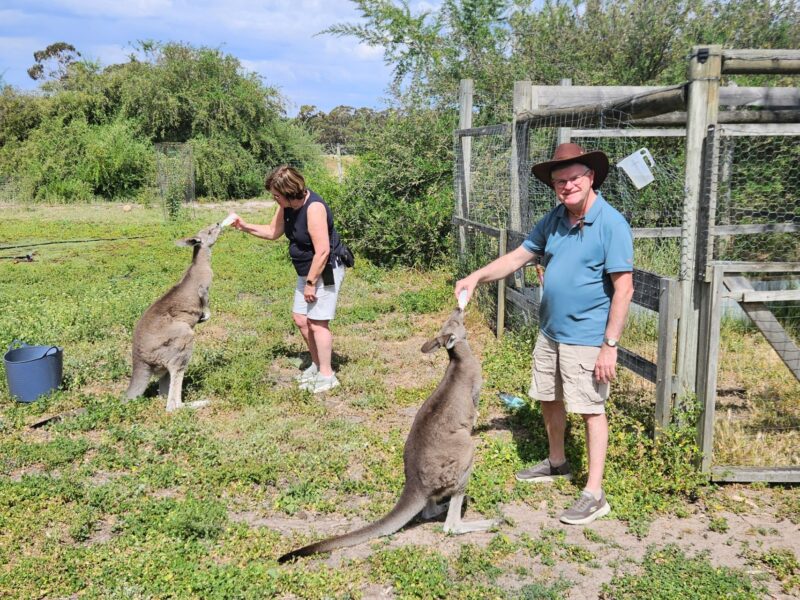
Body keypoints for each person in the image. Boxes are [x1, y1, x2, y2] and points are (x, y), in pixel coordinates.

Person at [455, 143, 634, 525]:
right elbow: (518, 257)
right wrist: (475, 276)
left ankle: (594, 493)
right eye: (559, 182)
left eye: (573, 179)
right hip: (551, 331)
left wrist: (610, 346)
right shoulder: (555, 219)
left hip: (587, 337)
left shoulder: (611, 224)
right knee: (548, 397)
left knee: (589, 408)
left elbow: (624, 288)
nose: (566, 186)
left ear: (590, 178)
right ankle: (557, 462)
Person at [230, 165, 346, 393]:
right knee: (301, 319)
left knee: (318, 322)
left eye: (276, 195)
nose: (274, 199)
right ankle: (316, 364)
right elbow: (273, 232)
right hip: (306, 270)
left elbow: (322, 251)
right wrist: (244, 226)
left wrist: (311, 283)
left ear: (290, 192)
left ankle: (328, 376)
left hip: (324, 269)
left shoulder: (314, 209)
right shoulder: (287, 206)